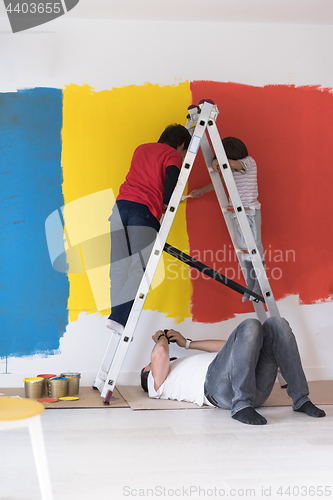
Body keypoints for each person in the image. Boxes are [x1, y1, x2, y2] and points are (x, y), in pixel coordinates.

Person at [140, 318, 326, 425]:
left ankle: (301, 399)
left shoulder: (184, 362)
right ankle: (241, 406)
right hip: (217, 390)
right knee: (250, 324)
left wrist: (187, 343)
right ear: (148, 370)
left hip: (253, 388)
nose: (151, 361)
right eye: (148, 364)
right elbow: (161, 352)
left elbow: (230, 346)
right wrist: (161, 337)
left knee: (277, 324)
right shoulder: (156, 383)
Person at [107, 124, 191, 334]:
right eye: (184, 150)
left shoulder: (141, 148)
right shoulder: (173, 154)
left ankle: (115, 316)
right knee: (139, 268)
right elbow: (171, 178)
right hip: (142, 212)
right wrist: (168, 202)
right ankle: (118, 318)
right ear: (182, 144)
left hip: (119, 208)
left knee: (118, 266)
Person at [189, 137, 263, 302]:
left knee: (254, 247)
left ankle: (258, 284)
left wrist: (217, 160)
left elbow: (234, 164)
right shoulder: (231, 169)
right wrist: (202, 190)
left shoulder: (248, 162)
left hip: (250, 212)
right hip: (237, 213)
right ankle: (251, 284)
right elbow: (221, 180)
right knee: (242, 249)